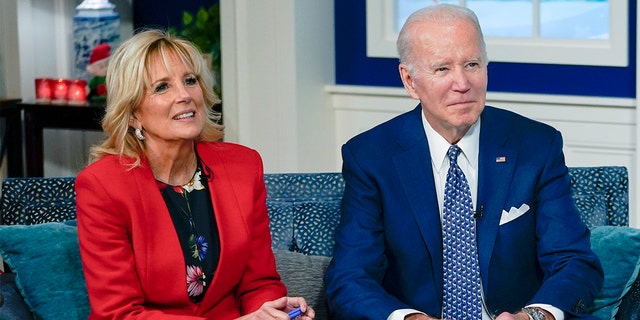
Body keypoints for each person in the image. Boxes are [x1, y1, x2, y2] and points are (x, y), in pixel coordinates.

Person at [324, 4, 603, 320]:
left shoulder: (536, 145)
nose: (462, 83)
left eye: (472, 64)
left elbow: (574, 261)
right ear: (410, 81)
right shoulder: (370, 156)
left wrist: (534, 316)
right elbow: (350, 278)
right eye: (442, 69)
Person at [75, 29, 315, 320]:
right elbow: (119, 312)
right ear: (134, 113)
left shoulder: (243, 166)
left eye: (190, 81)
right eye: (162, 87)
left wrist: (271, 312)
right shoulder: (102, 186)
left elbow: (259, 283)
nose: (185, 95)